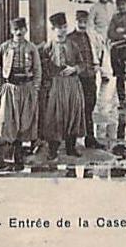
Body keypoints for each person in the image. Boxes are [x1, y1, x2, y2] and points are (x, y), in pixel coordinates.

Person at [0, 17, 42, 171]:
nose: (19, 32)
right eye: (15, 30)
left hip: (26, 89)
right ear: (12, 31)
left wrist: (35, 88)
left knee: (23, 124)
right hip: (9, 89)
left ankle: (18, 159)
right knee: (5, 123)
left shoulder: (31, 48)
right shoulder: (4, 48)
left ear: (26, 30)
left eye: (21, 29)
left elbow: (38, 70)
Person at [39, 12, 87, 160]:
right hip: (57, 85)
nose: (62, 31)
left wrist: (74, 69)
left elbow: (83, 64)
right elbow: (42, 64)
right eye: (58, 28)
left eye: (64, 27)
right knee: (55, 116)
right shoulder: (48, 45)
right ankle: (52, 149)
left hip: (72, 85)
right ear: (53, 29)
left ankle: (71, 147)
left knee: (73, 114)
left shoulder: (73, 45)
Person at [67, 10, 107, 149]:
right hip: (76, 79)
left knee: (90, 107)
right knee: (75, 109)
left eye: (85, 22)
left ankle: (90, 138)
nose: (82, 25)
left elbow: (98, 51)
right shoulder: (69, 38)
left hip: (90, 76)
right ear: (75, 21)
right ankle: (70, 143)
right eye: (80, 22)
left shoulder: (91, 36)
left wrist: (97, 65)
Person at [90, 0, 115, 85]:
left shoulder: (112, 6)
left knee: (114, 53)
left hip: (111, 33)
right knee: (101, 55)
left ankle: (117, 72)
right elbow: (90, 23)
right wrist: (94, 35)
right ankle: (103, 74)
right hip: (99, 33)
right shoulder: (95, 7)